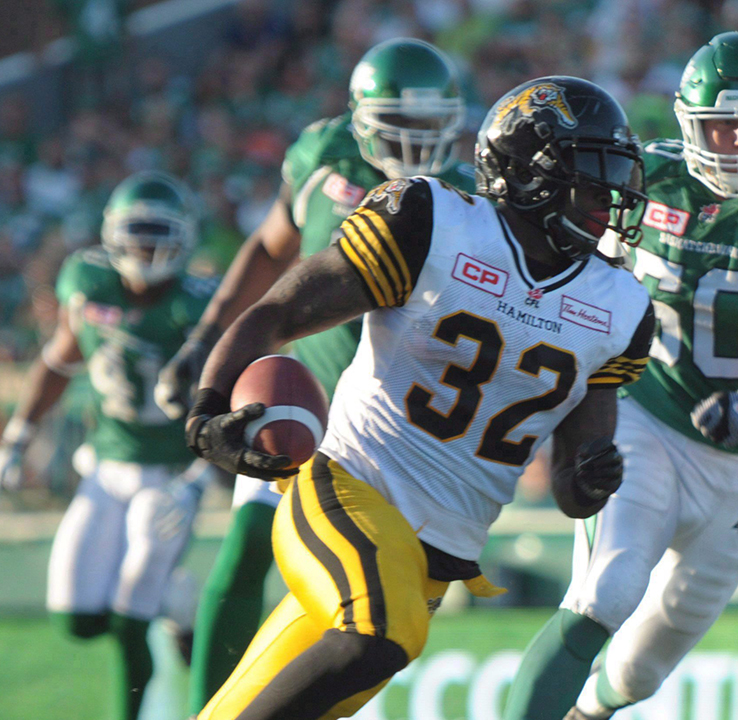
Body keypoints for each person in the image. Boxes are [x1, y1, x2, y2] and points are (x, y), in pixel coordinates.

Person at [186, 76, 656, 720]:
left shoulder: (620, 305)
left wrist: (595, 475)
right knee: (382, 637)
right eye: (592, 176)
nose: (610, 197)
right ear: (527, 173)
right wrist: (208, 410)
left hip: (436, 559)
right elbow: (279, 311)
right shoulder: (434, 222)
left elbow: (577, 493)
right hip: (350, 488)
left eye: (615, 176)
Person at [503, 32, 738, 720]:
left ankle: (589, 714)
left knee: (643, 668)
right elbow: (574, 281)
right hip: (644, 416)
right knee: (605, 593)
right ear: (687, 123)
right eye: (721, 124)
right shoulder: (647, 178)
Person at [149, 38, 476, 715]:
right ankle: (208, 705)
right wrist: (207, 340)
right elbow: (269, 251)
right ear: (360, 117)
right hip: (303, 396)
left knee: (361, 605)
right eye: (400, 124)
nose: (416, 141)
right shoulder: (320, 155)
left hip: (386, 430)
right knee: (244, 550)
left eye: (428, 124)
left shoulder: (463, 197)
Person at [0, 171, 214, 720]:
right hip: (107, 467)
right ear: (111, 235)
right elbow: (61, 359)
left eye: (161, 234)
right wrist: (17, 438)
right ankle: (179, 601)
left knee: (129, 619)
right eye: (138, 234)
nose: (149, 247)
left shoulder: (198, 305)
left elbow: (224, 397)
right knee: (77, 618)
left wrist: (201, 480)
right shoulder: (88, 283)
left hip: (170, 477)